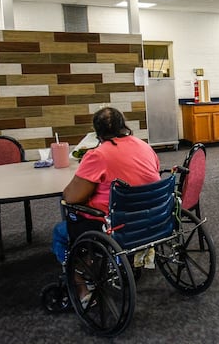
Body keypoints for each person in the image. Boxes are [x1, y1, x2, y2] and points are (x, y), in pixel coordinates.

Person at [52, 107, 161, 306]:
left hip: (115, 226)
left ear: (96, 132)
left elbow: (72, 197)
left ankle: (82, 285)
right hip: (152, 219)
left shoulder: (98, 155)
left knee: (60, 233)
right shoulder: (144, 146)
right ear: (123, 125)